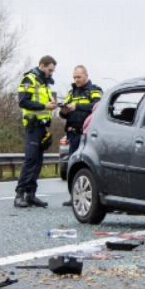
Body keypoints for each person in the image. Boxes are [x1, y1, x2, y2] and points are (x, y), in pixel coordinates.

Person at [15, 55, 59, 208]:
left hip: (42, 126)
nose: (51, 73)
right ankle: (19, 194)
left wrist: (52, 105)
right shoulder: (29, 79)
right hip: (32, 126)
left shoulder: (44, 83)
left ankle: (31, 195)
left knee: (38, 161)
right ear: (42, 66)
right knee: (31, 159)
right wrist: (45, 106)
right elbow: (23, 101)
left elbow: (43, 103)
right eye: (50, 70)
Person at [59, 66, 102, 206]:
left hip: (87, 134)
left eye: (79, 77)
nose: (76, 80)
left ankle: (90, 196)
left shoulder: (94, 90)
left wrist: (76, 107)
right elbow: (63, 114)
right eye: (74, 77)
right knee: (73, 165)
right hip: (73, 133)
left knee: (86, 166)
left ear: (86, 76)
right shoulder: (71, 93)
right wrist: (64, 111)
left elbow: (97, 106)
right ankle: (74, 196)